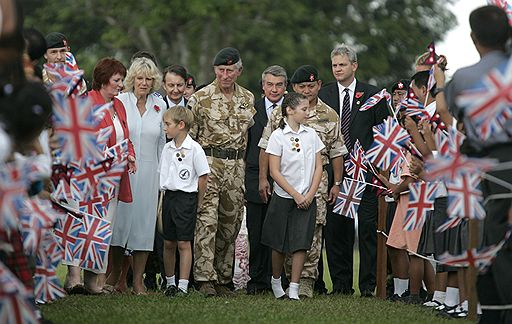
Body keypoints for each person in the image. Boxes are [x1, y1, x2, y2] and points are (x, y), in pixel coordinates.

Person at [442, 5, 512, 323]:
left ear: (473, 38)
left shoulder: (464, 78)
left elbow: (454, 114)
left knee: (497, 246)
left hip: (493, 168)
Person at [259, 65, 346, 298]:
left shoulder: (329, 114)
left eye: (311, 85)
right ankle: (285, 279)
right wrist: (262, 179)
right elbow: (266, 147)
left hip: (317, 179)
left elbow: (337, 151)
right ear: (294, 88)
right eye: (302, 87)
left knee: (312, 231)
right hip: (286, 181)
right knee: (283, 233)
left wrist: (337, 183)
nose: (307, 90)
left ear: (319, 85)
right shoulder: (280, 114)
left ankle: (305, 281)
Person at [319, 44, 389, 297]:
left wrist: (382, 171)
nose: (337, 69)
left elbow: (384, 134)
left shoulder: (373, 95)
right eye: (334, 65)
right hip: (334, 173)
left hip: (366, 174)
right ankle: (341, 285)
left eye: (342, 65)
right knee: (338, 231)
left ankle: (369, 285)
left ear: (354, 66)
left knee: (369, 230)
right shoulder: (323, 95)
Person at [187, 47, 256, 297]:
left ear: (239, 71)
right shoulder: (200, 98)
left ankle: (223, 279)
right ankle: (205, 279)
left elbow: (248, 135)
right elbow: (190, 141)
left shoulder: (247, 99)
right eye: (220, 70)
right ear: (214, 70)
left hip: (236, 168)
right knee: (207, 222)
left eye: (230, 70)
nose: (225, 75)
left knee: (230, 224)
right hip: (208, 164)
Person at [107, 57, 166, 295]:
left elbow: (163, 143)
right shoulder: (120, 101)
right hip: (123, 172)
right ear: (132, 79)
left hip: (150, 173)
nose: (144, 83)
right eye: (140, 78)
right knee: (119, 224)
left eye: (148, 79)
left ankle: (138, 282)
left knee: (144, 225)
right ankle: (113, 278)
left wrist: (163, 178)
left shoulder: (160, 105)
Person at [261, 92, 324, 300]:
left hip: (307, 197)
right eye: (304, 109)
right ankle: (277, 281)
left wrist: (310, 194)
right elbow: (274, 171)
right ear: (290, 110)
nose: (308, 112)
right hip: (284, 197)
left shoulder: (311, 135)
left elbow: (318, 167)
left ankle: (295, 286)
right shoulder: (278, 136)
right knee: (278, 242)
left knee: (301, 243)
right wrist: (295, 194)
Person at [88, 57, 137, 292]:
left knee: (106, 228)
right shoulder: (88, 103)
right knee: (95, 228)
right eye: (117, 80)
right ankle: (91, 280)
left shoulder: (119, 105)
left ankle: (98, 278)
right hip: (95, 178)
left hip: (116, 178)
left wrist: (130, 155)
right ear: (104, 80)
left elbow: (125, 139)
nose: (121, 85)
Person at [159, 106, 210, 297]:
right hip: (169, 198)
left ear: (181, 125)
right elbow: (163, 175)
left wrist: (199, 201)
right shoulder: (167, 147)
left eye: (167, 124)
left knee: (184, 243)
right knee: (168, 242)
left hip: (186, 198)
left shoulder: (194, 148)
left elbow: (203, 177)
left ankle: (183, 285)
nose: (165, 128)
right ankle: (170, 282)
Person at [245, 65, 287, 295]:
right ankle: (256, 280)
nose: (274, 89)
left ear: (285, 87)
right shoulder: (252, 109)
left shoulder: (292, 110)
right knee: (256, 229)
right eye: (270, 84)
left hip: (284, 176)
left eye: (279, 84)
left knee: (278, 231)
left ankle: (278, 280)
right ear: (263, 86)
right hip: (254, 174)